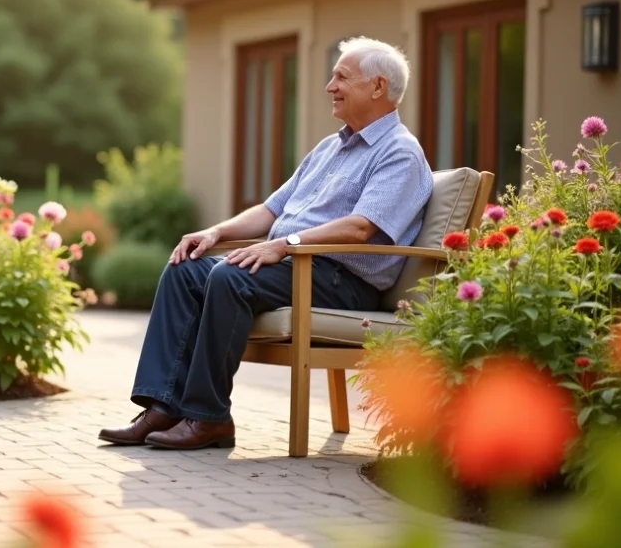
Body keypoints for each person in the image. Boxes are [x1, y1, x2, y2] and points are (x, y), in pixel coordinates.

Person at [98, 37, 433, 450]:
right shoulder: (330, 148)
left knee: (229, 277)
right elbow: (271, 210)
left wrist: (287, 244)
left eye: (341, 76)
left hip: (340, 280)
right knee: (184, 267)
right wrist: (215, 233)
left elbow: (361, 228)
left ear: (378, 87)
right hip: (292, 265)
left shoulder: (399, 152)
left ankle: (208, 418)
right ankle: (163, 406)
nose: (329, 86)